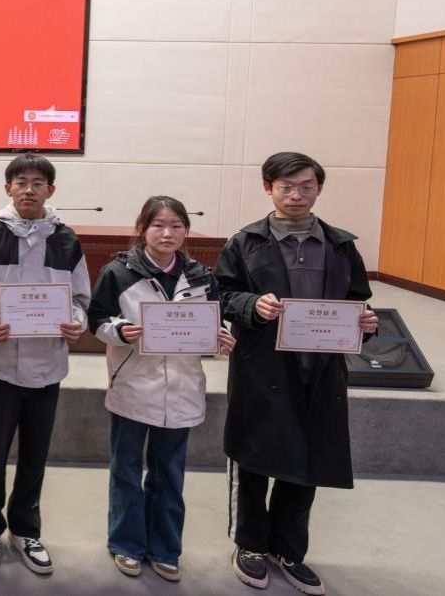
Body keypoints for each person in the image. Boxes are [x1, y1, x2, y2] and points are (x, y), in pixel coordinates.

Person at [219, 153, 378, 596]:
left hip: (321, 369)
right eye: (286, 186)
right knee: (253, 456)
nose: (296, 195)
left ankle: (288, 549)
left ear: (319, 189)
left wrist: (366, 323)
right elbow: (222, 294)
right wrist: (251, 305)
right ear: (268, 188)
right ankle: (250, 545)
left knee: (307, 459)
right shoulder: (245, 242)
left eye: (306, 187)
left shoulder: (341, 245)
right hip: (262, 366)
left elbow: (358, 299)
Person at [88, 196, 235, 583]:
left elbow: (214, 322)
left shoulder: (202, 276)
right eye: (158, 225)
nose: (167, 233)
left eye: (176, 226)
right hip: (134, 386)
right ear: (143, 229)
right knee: (127, 470)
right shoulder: (118, 273)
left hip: (183, 389)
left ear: (186, 230)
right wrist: (120, 331)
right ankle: (126, 543)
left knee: (169, 473)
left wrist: (220, 337)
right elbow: (97, 320)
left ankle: (166, 549)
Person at [0, 154, 89, 575]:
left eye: (38, 183)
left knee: (35, 454)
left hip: (47, 366)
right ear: (8, 188)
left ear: (50, 190)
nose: (29, 189)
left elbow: (81, 298)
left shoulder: (67, 240)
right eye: (21, 182)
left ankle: (25, 529)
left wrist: (77, 321)